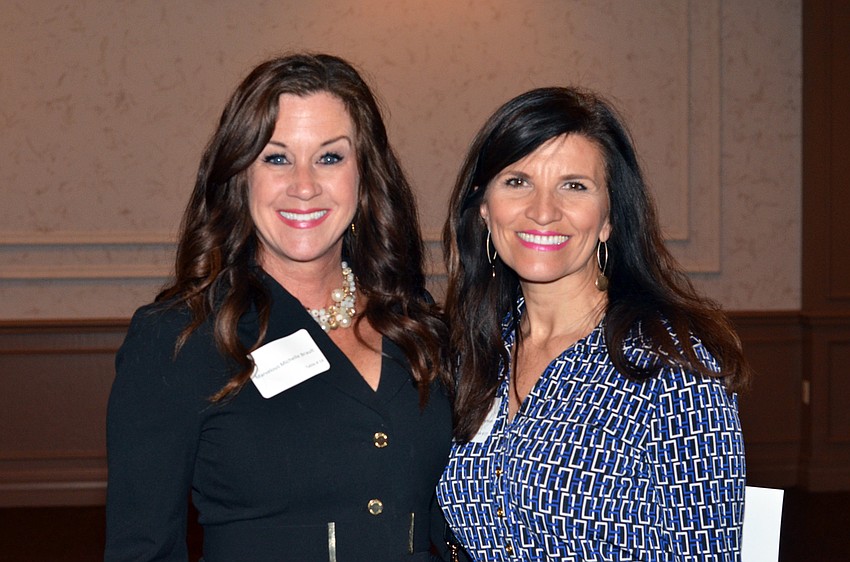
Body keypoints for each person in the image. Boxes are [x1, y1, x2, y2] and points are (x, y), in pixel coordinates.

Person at [105, 53, 453, 562]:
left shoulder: (416, 322)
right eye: (276, 157)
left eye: (330, 158)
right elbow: (143, 549)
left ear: (366, 175)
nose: (305, 185)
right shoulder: (179, 337)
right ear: (240, 176)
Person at [437, 87, 749, 561]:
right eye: (518, 181)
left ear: (608, 219)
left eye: (574, 185)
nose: (543, 211)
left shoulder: (671, 369)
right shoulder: (469, 353)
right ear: (484, 209)